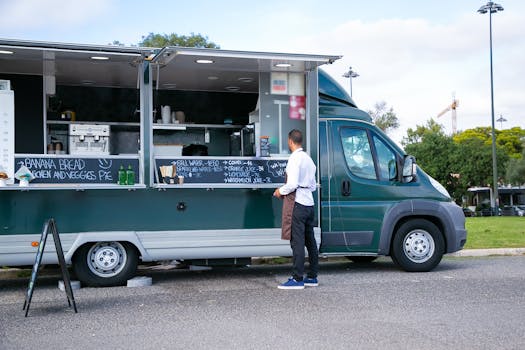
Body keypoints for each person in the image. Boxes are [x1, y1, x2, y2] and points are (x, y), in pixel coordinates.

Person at [273, 129, 318, 290]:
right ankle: (312, 277)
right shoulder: (308, 159)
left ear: (290, 141)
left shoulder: (294, 159)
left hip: (297, 204)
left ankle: (297, 278)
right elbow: (313, 186)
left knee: (297, 242)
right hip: (309, 204)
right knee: (310, 241)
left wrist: (280, 191)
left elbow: (291, 184)